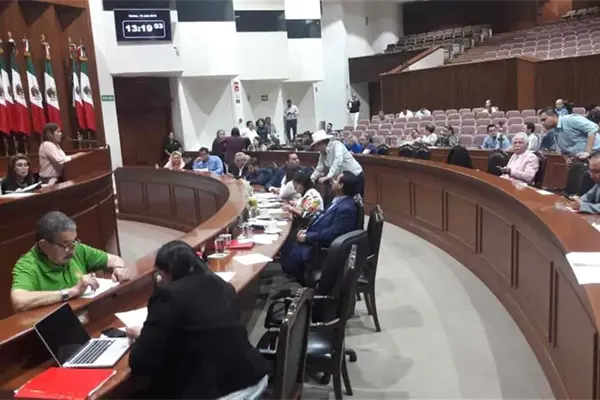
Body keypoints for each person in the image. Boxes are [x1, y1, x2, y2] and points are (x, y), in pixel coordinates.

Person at [127, 241, 269, 400]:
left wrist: (144, 336)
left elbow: (141, 362)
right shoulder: (223, 285)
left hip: (221, 393)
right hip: (254, 380)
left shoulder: (168, 295)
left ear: (166, 272)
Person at [10, 211, 127, 312]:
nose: (71, 250)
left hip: (83, 314)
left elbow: (114, 259)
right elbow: (19, 301)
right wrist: (72, 292)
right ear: (43, 245)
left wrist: (119, 268)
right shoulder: (28, 265)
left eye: (73, 242)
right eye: (65, 245)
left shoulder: (77, 248)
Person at [280, 172, 359, 282]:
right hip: (316, 235)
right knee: (288, 239)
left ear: (341, 185)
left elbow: (333, 234)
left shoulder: (346, 209)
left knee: (288, 247)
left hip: (320, 249)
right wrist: (307, 231)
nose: (333, 181)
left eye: (336, 180)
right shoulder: (339, 200)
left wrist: (307, 237)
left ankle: (299, 280)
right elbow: (323, 218)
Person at [310, 130, 364, 198]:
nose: (316, 149)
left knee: (356, 200)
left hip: (355, 176)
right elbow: (319, 168)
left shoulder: (337, 145)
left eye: (316, 146)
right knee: (345, 200)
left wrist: (328, 176)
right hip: (344, 179)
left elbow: (338, 160)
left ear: (322, 143)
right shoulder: (322, 154)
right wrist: (311, 178)